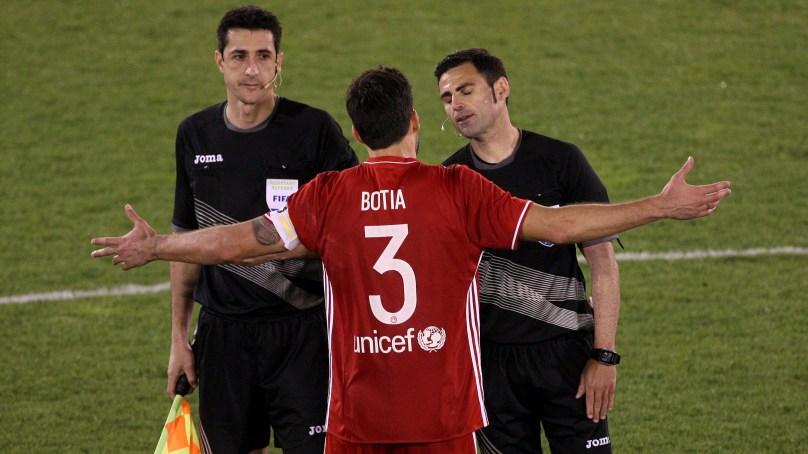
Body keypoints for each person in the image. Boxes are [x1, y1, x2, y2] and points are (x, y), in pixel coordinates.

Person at [91, 67, 730, 454]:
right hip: (443, 416)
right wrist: (659, 206)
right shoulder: (458, 190)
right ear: (416, 121)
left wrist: (158, 246)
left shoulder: (328, 196)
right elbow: (562, 224)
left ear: (357, 133)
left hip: (356, 417)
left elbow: (239, 239)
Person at [167, 6, 357, 453]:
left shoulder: (314, 131)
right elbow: (185, 241)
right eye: (239, 56)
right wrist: (178, 338)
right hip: (224, 336)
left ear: (279, 61)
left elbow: (354, 226)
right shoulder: (194, 135)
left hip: (303, 332)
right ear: (219, 61)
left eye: (263, 56)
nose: (252, 70)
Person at [435, 48, 619, 453]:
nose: (456, 105)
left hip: (567, 356)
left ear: (501, 88)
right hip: (492, 364)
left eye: (465, 90)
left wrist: (604, 356)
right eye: (447, 98)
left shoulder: (560, 161)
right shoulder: (449, 181)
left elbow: (604, 264)